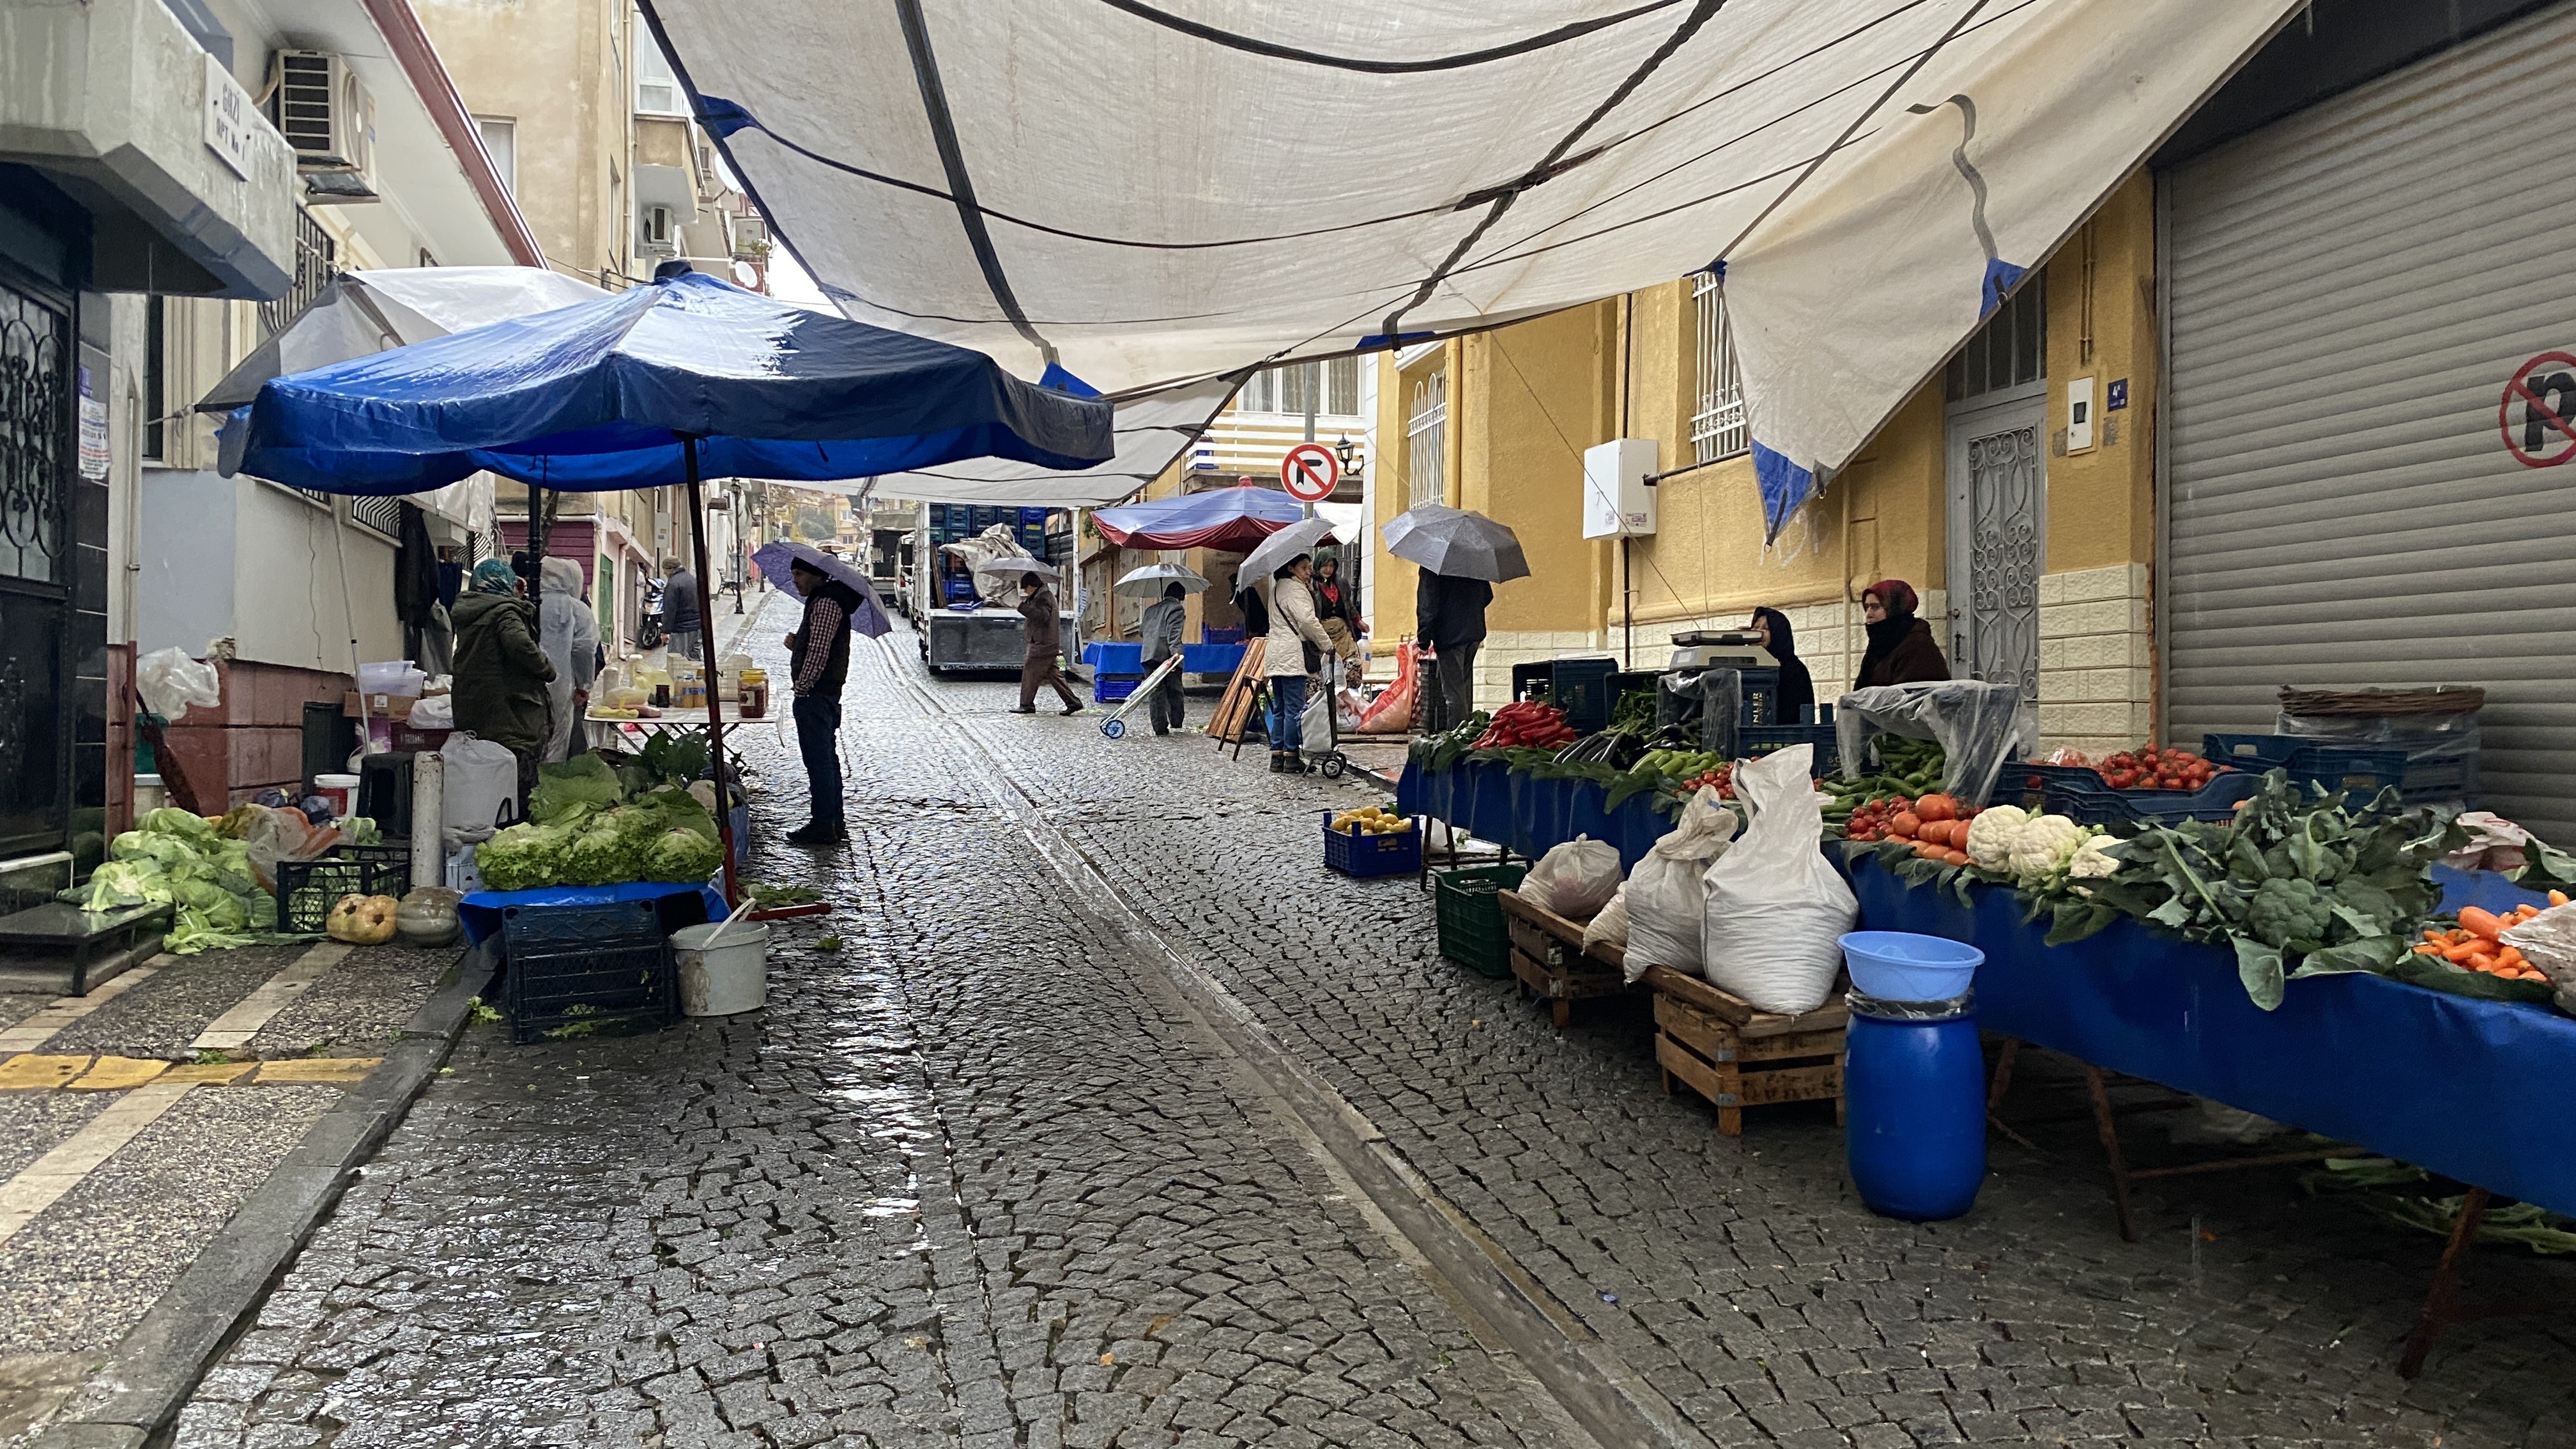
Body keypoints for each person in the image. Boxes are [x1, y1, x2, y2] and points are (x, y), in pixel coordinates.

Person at [450, 558, 556, 807]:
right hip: (508, 710)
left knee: (485, 775)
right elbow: (519, 644)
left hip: (474, 704)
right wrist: (545, 668)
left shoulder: (470, 611)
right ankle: (513, 825)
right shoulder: (503, 611)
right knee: (515, 777)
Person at [781, 557, 862, 845]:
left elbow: (819, 651)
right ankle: (832, 821)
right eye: (793, 574)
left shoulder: (826, 602)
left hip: (817, 695)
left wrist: (803, 688)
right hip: (821, 693)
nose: (795, 580)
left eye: (800, 574)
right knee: (825, 758)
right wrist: (797, 642)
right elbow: (815, 642)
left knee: (820, 761)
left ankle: (824, 824)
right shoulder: (821, 600)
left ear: (816, 575)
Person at [1262, 556, 1335, 773]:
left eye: (1309, 567)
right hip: (1292, 655)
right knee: (1294, 708)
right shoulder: (1295, 589)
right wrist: (1327, 645)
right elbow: (1307, 621)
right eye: (1303, 568)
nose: (1308, 572)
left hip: (1276, 654)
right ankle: (1292, 756)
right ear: (1291, 568)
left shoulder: (1277, 589)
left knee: (1280, 708)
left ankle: (1277, 757)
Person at [535, 557, 600, 762]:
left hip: (525, 684)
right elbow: (584, 649)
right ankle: (547, 790)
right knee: (556, 744)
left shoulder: (527, 603)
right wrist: (584, 685)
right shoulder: (577, 609)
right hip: (561, 685)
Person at [1416, 569, 1492, 733]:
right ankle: (1469, 733)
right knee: (1464, 688)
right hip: (1474, 632)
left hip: (1449, 635)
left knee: (1454, 693)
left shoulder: (1432, 565)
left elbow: (1427, 605)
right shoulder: (1473, 560)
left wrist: (1423, 640)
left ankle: (1459, 738)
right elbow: (1487, 596)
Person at [1853, 578, 1951, 689]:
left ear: (1895, 609)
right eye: (1867, 607)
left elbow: (1910, 698)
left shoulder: (1917, 646)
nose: (1869, 614)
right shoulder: (1881, 645)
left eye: (1876, 607)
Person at [1013, 572, 1082, 715]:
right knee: (1054, 676)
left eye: (1026, 589)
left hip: (1042, 644)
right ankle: (1073, 702)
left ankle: (1026, 705)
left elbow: (1042, 616)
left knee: (1030, 673)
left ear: (1032, 586)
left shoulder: (1043, 597)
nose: (1026, 592)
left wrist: (1022, 607)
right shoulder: (1042, 596)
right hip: (1047, 644)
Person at [1748, 606, 1816, 723]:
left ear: (1778, 634)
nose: (1758, 632)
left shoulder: (1794, 669)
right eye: (1755, 627)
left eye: (1766, 629)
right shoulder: (1748, 664)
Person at [1140, 580, 1189, 735]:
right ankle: (1176, 721)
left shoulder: (1150, 610)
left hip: (1148, 655)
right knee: (1174, 690)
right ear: (1181, 597)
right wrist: (1177, 657)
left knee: (1155, 692)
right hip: (1165, 656)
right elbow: (1174, 635)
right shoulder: (1176, 609)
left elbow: (1142, 632)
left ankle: (1159, 727)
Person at [1312, 556, 1358, 660]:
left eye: (1331, 566)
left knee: (1351, 666)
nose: (1328, 570)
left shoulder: (1341, 583)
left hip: (1343, 633)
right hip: (1324, 635)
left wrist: (1359, 622)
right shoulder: (1312, 586)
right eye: (1325, 566)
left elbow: (1348, 605)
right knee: (1328, 668)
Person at [663, 556, 703, 661]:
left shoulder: (673, 584)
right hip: (696, 627)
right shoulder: (692, 579)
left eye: (665, 570)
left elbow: (669, 610)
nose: (664, 573)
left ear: (670, 569)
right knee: (694, 658)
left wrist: (665, 631)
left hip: (680, 628)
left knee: (677, 661)